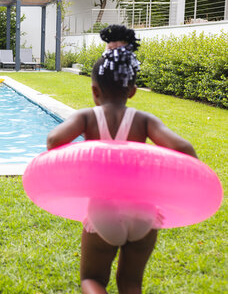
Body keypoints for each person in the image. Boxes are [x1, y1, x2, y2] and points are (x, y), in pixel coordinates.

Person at [45, 24, 196, 294]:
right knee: (131, 283)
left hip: (103, 209)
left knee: (92, 280)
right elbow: (185, 149)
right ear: (133, 90)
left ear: (94, 90)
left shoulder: (87, 117)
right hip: (144, 211)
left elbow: (54, 141)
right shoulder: (143, 120)